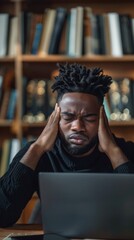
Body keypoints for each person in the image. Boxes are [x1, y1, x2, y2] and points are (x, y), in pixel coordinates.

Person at [0, 63, 134, 227]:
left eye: (89, 118)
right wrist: (38, 147)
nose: (77, 126)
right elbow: (2, 215)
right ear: (55, 117)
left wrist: (113, 152)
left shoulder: (124, 152)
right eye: (68, 117)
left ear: (102, 118)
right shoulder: (38, 154)